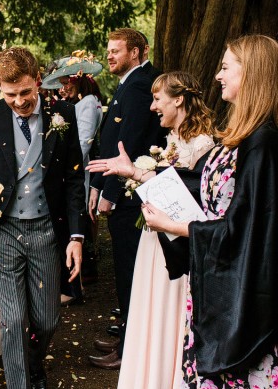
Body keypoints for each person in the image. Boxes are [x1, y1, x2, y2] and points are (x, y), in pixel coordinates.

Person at [140, 35, 278, 388]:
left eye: (226, 67)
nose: (217, 76)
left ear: (252, 73)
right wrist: (140, 174)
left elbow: (245, 228)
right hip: (213, 284)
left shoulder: (263, 141)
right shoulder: (239, 136)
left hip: (238, 299)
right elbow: (200, 186)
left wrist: (176, 226)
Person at [0, 47, 86, 389]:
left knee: (46, 320)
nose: (18, 102)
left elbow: (75, 178)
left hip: (48, 228)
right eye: (10, 94)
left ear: (37, 82)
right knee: (14, 320)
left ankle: (34, 365)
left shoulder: (63, 113)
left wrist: (76, 237)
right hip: (4, 230)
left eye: (25, 93)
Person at [87, 71, 215, 387]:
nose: (152, 106)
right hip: (154, 240)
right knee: (148, 306)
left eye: (158, 99)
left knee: (170, 312)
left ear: (179, 99)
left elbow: (193, 199)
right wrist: (136, 175)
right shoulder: (171, 140)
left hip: (177, 244)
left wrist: (139, 175)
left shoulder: (203, 145)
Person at [88, 28, 164, 368]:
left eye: (116, 51)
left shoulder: (138, 85)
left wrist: (110, 193)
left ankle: (129, 348)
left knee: (130, 272)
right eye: (109, 51)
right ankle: (126, 333)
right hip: (125, 190)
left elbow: (128, 143)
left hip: (131, 196)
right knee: (126, 271)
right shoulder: (131, 82)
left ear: (136, 52)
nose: (109, 56)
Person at [42, 54, 105, 303]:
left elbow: (84, 141)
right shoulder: (76, 103)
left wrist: (60, 156)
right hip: (70, 169)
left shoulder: (88, 102)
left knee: (76, 225)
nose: (64, 86)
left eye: (68, 81)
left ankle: (76, 283)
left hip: (77, 170)